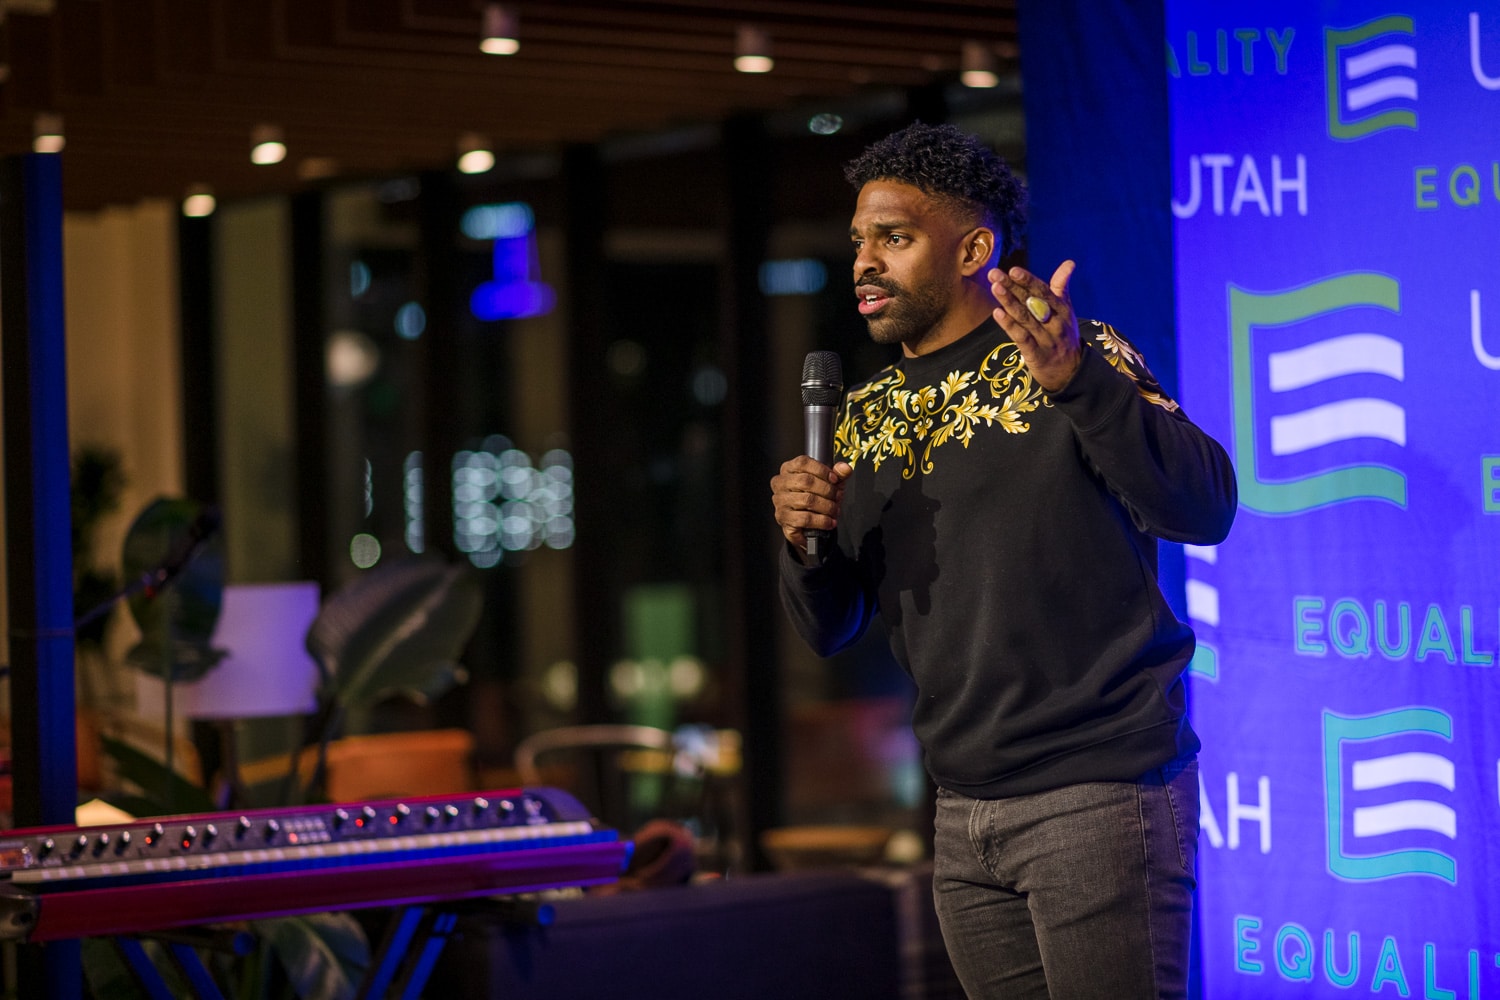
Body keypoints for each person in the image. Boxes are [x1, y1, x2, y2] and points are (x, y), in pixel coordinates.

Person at [769, 122, 1237, 999]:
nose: (865, 262)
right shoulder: (862, 416)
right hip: (960, 811)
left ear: (974, 248)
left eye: (895, 238)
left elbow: (1204, 507)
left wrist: (1075, 383)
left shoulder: (1072, 354)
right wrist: (804, 545)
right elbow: (833, 629)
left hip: (1098, 794)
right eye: (859, 242)